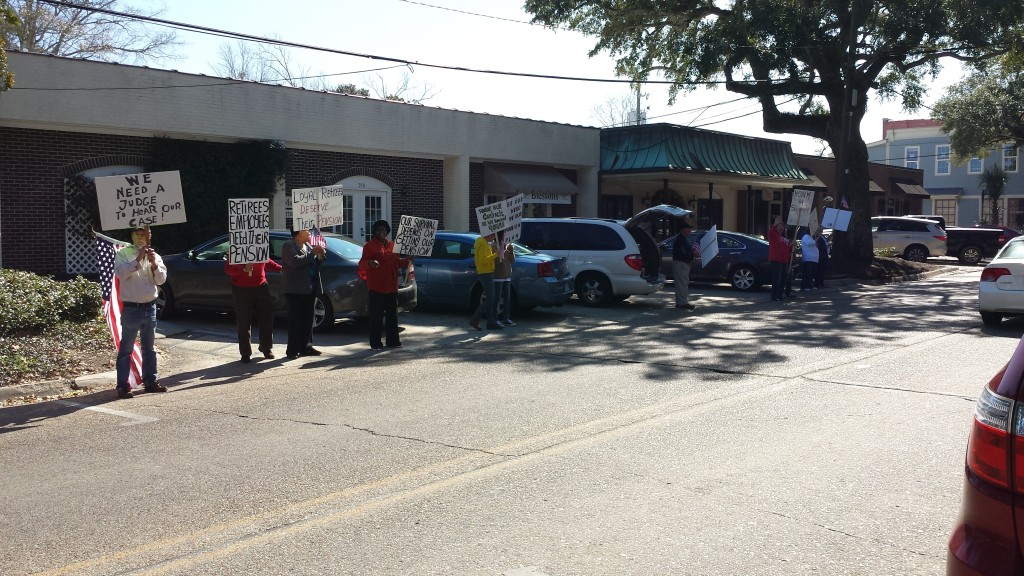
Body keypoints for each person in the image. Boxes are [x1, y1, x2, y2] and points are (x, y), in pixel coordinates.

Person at [113, 224, 168, 399]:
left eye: (144, 233)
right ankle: (123, 385)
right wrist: (138, 259)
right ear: (132, 236)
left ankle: (150, 381)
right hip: (132, 308)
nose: (141, 237)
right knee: (126, 349)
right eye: (137, 234)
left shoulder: (156, 255)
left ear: (150, 234)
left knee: (149, 347)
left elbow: (161, 280)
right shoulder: (123, 254)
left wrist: (153, 263)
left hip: (150, 306)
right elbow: (120, 273)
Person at [359, 219, 409, 349]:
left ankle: (393, 341)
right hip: (377, 286)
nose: (382, 231)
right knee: (377, 317)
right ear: (375, 232)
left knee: (392, 316)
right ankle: (376, 343)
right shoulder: (369, 246)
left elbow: (397, 262)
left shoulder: (392, 245)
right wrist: (370, 263)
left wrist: (408, 260)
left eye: (384, 229)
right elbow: (362, 263)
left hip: (391, 286)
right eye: (379, 229)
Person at [225, 256, 282, 362]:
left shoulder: (258, 247)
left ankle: (266, 348)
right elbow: (229, 269)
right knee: (244, 321)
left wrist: (280, 268)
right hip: (241, 289)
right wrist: (242, 269)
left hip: (261, 286)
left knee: (267, 318)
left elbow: (267, 262)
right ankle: (245, 353)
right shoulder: (236, 249)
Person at [281, 227, 326, 359]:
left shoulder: (307, 244)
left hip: (309, 287)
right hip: (295, 289)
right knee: (296, 320)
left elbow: (316, 262)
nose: (309, 233)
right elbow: (295, 262)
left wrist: (320, 255)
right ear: (300, 233)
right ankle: (292, 350)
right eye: (307, 231)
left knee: (308, 320)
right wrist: (312, 253)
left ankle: (306, 346)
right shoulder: (288, 245)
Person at [469, 231, 501, 331]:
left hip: (487, 272)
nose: (494, 237)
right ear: (487, 234)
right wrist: (496, 254)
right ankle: (475, 319)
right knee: (491, 298)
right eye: (492, 235)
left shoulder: (484, 243)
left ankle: (490, 322)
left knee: (491, 298)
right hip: (485, 272)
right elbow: (483, 260)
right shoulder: (482, 243)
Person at [493, 230, 516, 326]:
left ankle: (506, 318)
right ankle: (494, 318)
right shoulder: (494, 246)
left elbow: (512, 261)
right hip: (498, 275)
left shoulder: (507, 245)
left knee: (507, 298)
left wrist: (511, 252)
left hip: (507, 276)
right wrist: (503, 253)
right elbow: (497, 262)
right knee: (497, 298)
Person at [671, 220, 696, 310]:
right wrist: (694, 255)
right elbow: (684, 253)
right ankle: (682, 303)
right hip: (681, 263)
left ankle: (680, 302)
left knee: (681, 283)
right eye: (687, 228)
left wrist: (692, 254)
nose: (689, 230)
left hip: (681, 263)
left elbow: (686, 252)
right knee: (682, 283)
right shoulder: (680, 240)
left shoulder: (682, 239)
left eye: (690, 228)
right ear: (682, 229)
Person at [768, 217, 792, 302]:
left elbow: (789, 249)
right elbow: (771, 232)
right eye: (779, 226)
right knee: (777, 279)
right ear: (776, 228)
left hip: (784, 261)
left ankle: (780, 295)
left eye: (782, 226)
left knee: (783, 279)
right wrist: (774, 225)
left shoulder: (784, 238)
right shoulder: (773, 235)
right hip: (776, 260)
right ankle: (774, 296)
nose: (781, 228)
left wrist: (792, 245)